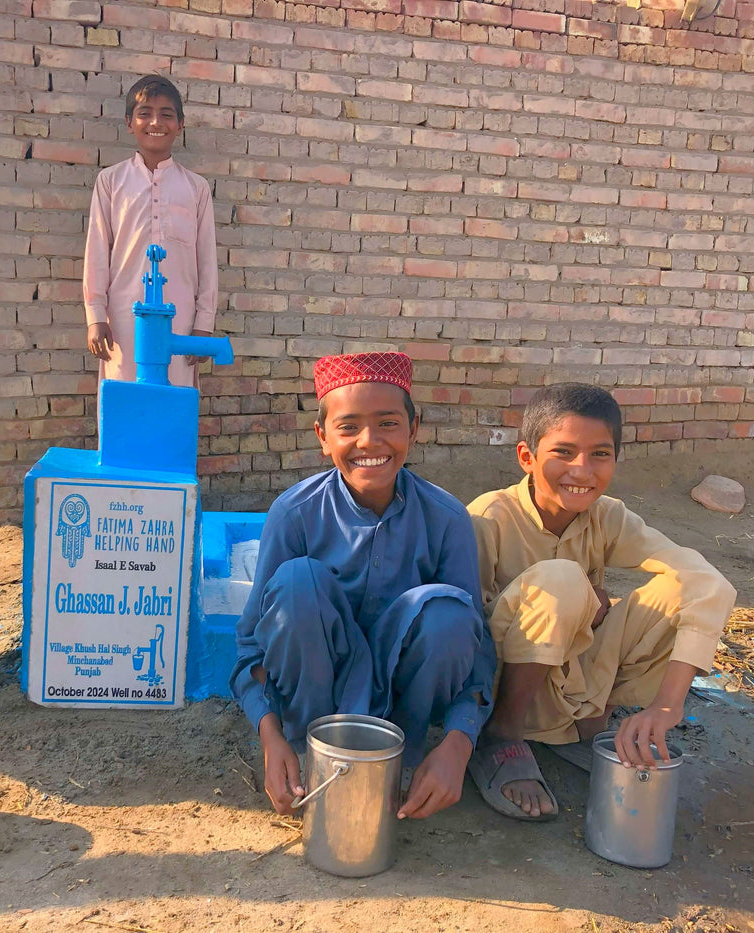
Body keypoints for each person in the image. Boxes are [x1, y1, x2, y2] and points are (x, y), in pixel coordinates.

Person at [231, 352, 496, 819]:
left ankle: (399, 758)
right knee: (297, 584)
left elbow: (474, 652)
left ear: (414, 430)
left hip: (403, 701)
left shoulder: (448, 518)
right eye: (348, 427)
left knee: (450, 615)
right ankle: (311, 752)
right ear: (322, 437)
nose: (368, 441)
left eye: (387, 423)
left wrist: (459, 745)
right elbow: (251, 647)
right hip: (314, 701)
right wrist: (270, 737)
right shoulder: (293, 514)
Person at [467, 383, 735, 820]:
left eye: (600, 454)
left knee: (682, 590)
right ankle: (503, 737)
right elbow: (465, 623)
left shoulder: (607, 515)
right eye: (564, 452)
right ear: (527, 458)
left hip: (574, 684)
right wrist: (573, 601)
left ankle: (587, 728)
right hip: (503, 686)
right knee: (564, 580)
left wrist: (668, 704)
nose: (582, 470)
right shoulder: (488, 517)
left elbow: (708, 583)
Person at [83, 74, 218, 387]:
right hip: (122, 321)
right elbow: (98, 252)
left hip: (180, 320)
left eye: (166, 115)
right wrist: (96, 316)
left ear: (180, 124)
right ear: (130, 122)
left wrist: (203, 323)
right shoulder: (111, 182)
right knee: (123, 400)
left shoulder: (196, 188)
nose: (155, 122)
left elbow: (207, 261)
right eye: (145, 113)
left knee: (175, 401)